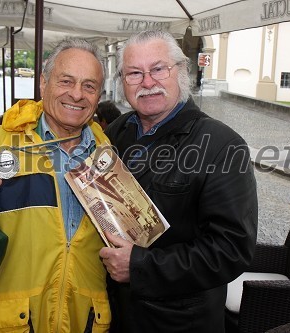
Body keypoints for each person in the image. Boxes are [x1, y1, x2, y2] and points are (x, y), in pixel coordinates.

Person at [0, 38, 111, 332]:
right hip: (7, 322)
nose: (77, 94)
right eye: (66, 81)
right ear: (43, 83)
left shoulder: (106, 155)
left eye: (89, 86)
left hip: (83, 320)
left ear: (98, 96)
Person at [100, 30, 258, 333]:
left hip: (179, 321)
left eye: (158, 69)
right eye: (135, 73)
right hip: (116, 313)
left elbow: (231, 250)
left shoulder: (222, 145)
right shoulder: (115, 132)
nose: (147, 83)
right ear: (123, 81)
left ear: (181, 71)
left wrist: (140, 266)